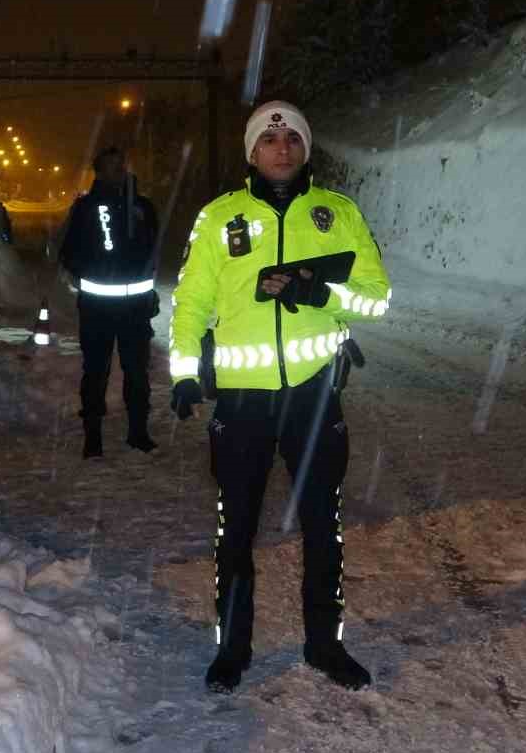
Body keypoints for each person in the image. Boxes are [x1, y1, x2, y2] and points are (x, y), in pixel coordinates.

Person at [169, 101, 391, 693]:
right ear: (251, 151)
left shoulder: (337, 214)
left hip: (315, 397)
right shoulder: (219, 218)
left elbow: (377, 298)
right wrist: (185, 372)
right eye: (270, 140)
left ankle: (325, 646)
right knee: (235, 530)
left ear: (305, 146)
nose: (282, 148)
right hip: (241, 403)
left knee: (324, 527)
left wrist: (319, 291)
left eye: (293, 137)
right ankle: (232, 651)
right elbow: (190, 304)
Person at [58, 146, 161, 458]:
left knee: (137, 372)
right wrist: (91, 272)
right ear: (98, 172)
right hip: (97, 308)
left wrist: (146, 288)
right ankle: (93, 437)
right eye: (110, 167)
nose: (118, 171)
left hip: (135, 308)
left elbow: (155, 248)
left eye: (121, 165)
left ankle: (138, 433)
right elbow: (68, 251)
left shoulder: (143, 206)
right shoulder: (85, 208)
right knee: (95, 372)